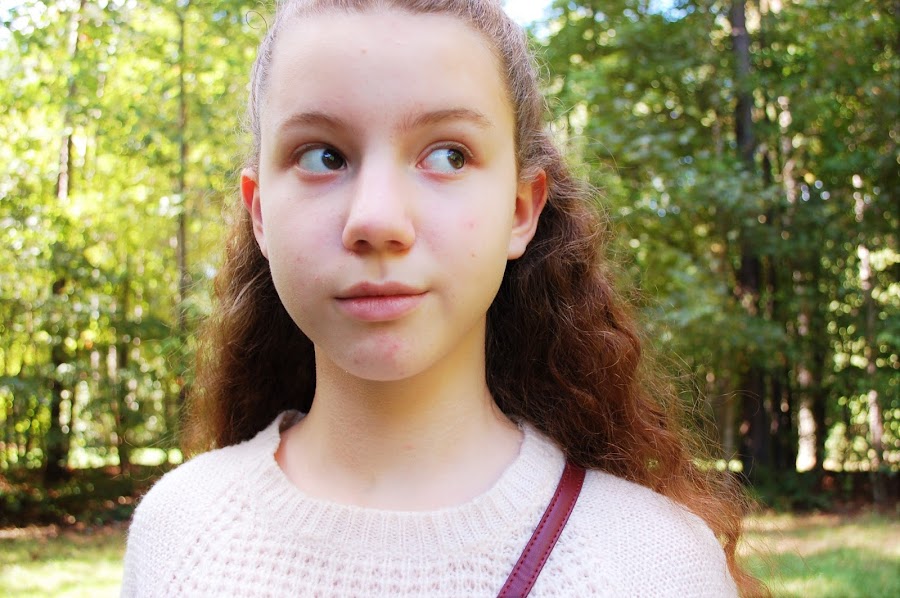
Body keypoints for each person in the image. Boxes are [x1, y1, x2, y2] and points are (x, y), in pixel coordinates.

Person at [121, 1, 762, 596]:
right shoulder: (180, 532)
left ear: (520, 210)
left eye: (449, 156)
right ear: (260, 213)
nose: (377, 219)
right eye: (323, 156)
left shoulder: (657, 565)